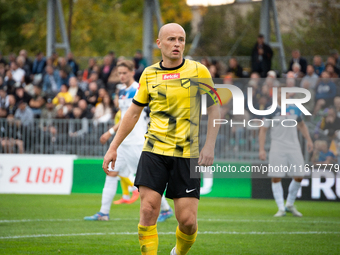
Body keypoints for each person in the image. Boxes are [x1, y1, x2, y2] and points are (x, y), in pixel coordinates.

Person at [102, 23, 220, 255]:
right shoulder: (149, 74)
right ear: (159, 43)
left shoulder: (199, 71)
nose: (177, 44)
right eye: (171, 39)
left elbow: (215, 109)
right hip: (154, 151)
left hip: (187, 155)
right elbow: (133, 113)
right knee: (147, 210)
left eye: (181, 40)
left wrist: (209, 145)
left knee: (187, 221)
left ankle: (177, 253)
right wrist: (113, 146)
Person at [84, 60, 147, 220]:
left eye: (125, 72)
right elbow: (124, 118)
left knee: (146, 181)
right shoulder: (122, 92)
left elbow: (133, 116)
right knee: (111, 174)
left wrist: (110, 131)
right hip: (123, 143)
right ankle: (103, 213)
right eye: (119, 73)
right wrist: (111, 132)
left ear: (132, 72)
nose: (122, 76)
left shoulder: (138, 89)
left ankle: (166, 210)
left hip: (136, 142)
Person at [259, 87, 313, 217]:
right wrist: (261, 149)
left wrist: (309, 140)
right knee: (276, 177)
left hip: (294, 146)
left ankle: (289, 203)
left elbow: (301, 125)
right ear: (276, 95)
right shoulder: (271, 110)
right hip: (277, 146)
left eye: (285, 93)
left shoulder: (295, 108)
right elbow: (263, 129)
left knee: (300, 175)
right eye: (280, 93)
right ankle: (281, 208)